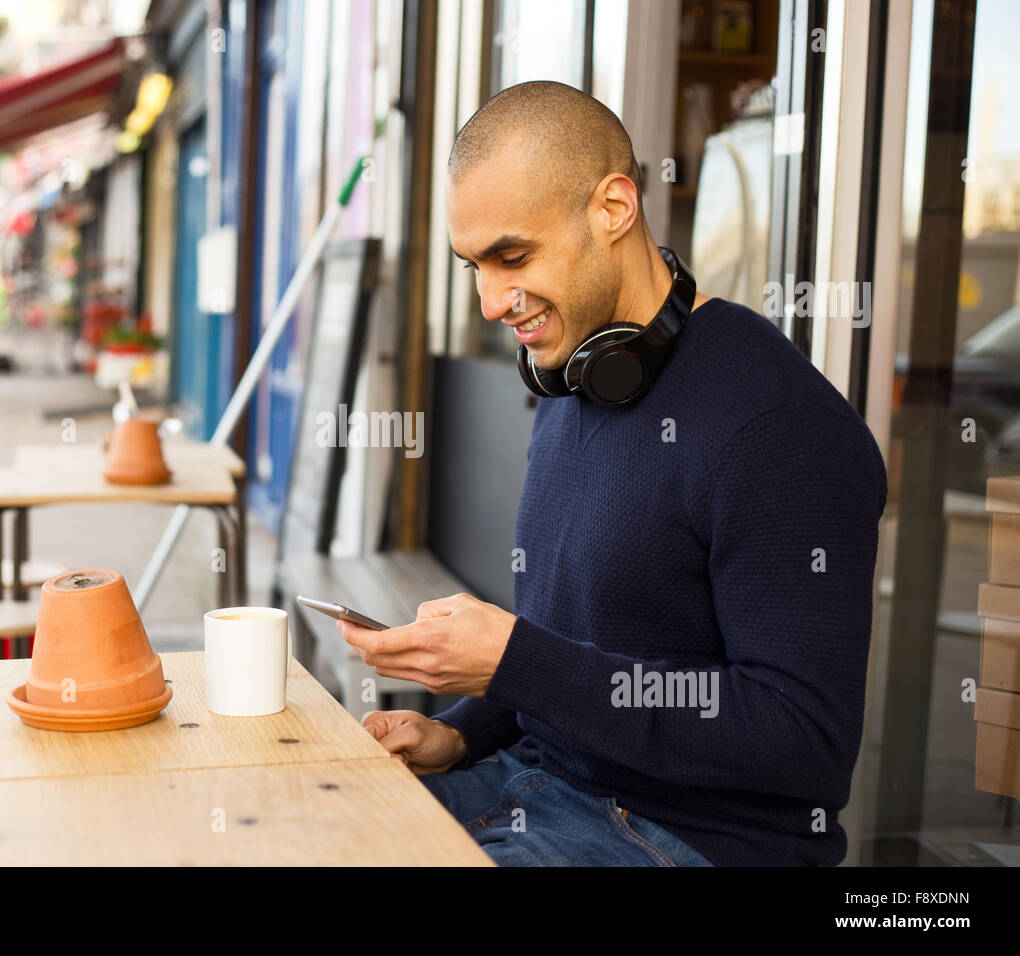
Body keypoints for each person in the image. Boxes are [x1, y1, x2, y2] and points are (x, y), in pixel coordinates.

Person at [337, 81, 887, 867]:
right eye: (474, 266)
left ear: (614, 208)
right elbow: (580, 659)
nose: (492, 301)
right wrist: (461, 730)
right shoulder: (576, 375)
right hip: (532, 786)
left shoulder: (781, 429)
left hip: (685, 840)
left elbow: (803, 737)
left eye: (513, 256)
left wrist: (516, 660)